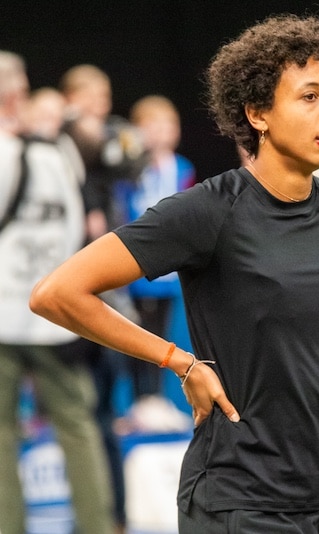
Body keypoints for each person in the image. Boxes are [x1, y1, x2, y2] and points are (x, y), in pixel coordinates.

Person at [30, 13, 319, 534]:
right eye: (309, 97)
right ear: (258, 113)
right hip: (238, 503)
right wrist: (179, 362)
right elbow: (57, 293)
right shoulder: (208, 211)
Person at [0, 50, 116, 534]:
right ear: (19, 92)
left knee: (2, 434)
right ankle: (96, 525)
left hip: (2, 318)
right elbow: (79, 238)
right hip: (54, 314)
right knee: (78, 425)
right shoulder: (58, 153)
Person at [60, 62, 143, 532]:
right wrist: (76, 125)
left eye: (105, 95)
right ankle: (92, 515)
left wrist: (105, 134)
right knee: (80, 412)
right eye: (92, 96)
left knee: (106, 412)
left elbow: (134, 158)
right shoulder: (61, 139)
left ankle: (114, 517)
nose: (102, 105)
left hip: (110, 290)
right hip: (71, 287)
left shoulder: (111, 139)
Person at [116, 94, 195, 429]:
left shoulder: (182, 167)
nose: (162, 133)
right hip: (136, 266)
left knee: (165, 335)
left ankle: (159, 401)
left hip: (170, 271)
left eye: (168, 125)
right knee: (137, 335)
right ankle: (138, 402)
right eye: (153, 126)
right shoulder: (129, 166)